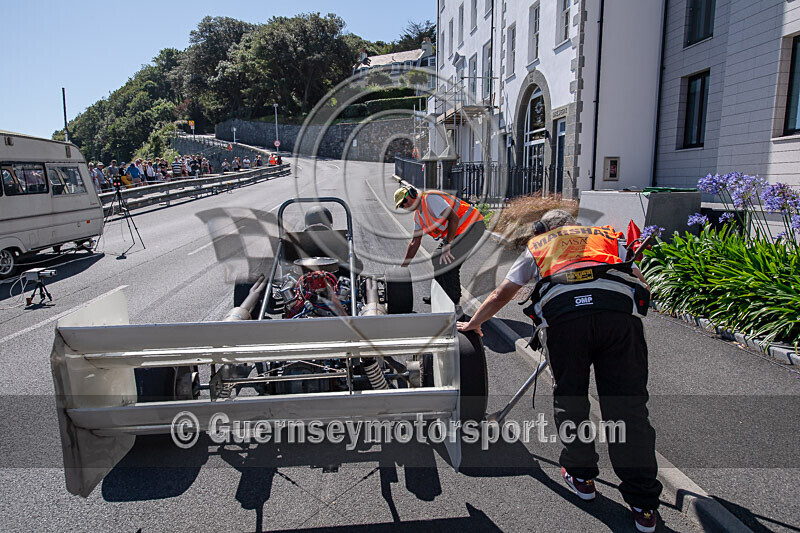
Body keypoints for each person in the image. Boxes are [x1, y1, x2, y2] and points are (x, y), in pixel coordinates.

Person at [457, 209, 662, 533]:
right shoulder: (609, 239)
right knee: (628, 408)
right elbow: (643, 286)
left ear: (543, 229)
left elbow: (501, 294)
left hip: (566, 325)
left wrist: (474, 323)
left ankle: (581, 478)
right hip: (619, 322)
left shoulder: (539, 247)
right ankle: (644, 505)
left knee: (572, 400)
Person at [396, 185, 484, 307]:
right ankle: (439, 296)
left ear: (413, 194)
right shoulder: (418, 218)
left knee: (448, 262)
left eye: (405, 201)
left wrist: (447, 245)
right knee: (437, 258)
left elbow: (454, 218)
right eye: (401, 206)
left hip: (471, 226)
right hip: (457, 232)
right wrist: (403, 267)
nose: (404, 206)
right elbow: (415, 242)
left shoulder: (430, 199)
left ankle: (454, 302)